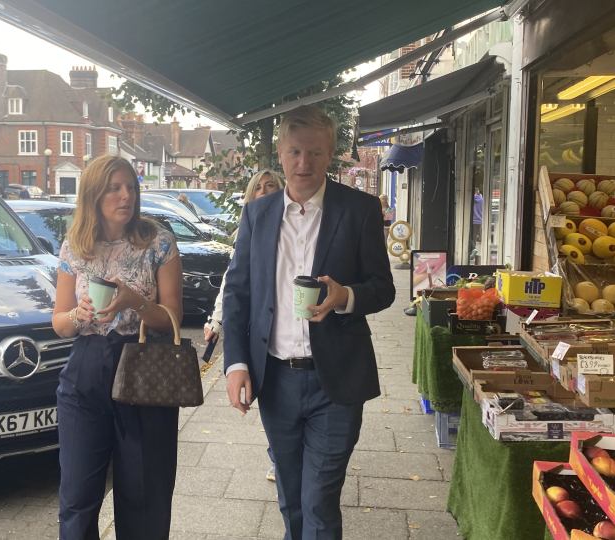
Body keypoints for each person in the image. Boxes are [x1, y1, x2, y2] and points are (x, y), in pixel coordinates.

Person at [223, 105, 395, 540]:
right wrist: (236, 364)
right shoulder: (257, 216)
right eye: (295, 152)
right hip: (275, 379)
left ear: (331, 154)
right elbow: (239, 295)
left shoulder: (358, 210)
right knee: (290, 495)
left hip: (335, 381)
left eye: (316, 153)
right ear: (280, 154)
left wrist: (346, 296)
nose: (304, 164)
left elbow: (383, 287)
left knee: (319, 498)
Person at [51, 155, 184, 540]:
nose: (126, 195)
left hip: (143, 367)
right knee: (76, 497)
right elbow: (59, 322)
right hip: (86, 368)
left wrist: (135, 303)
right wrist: (80, 313)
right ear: (94, 194)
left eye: (131, 187)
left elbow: (174, 316)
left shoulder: (158, 241)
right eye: (114, 187)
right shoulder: (75, 247)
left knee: (144, 495)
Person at [203, 168, 285, 482]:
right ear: (251, 197)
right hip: (258, 326)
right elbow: (231, 284)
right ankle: (278, 456)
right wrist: (216, 320)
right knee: (269, 393)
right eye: (259, 188)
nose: (264, 192)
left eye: (271, 186)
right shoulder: (247, 233)